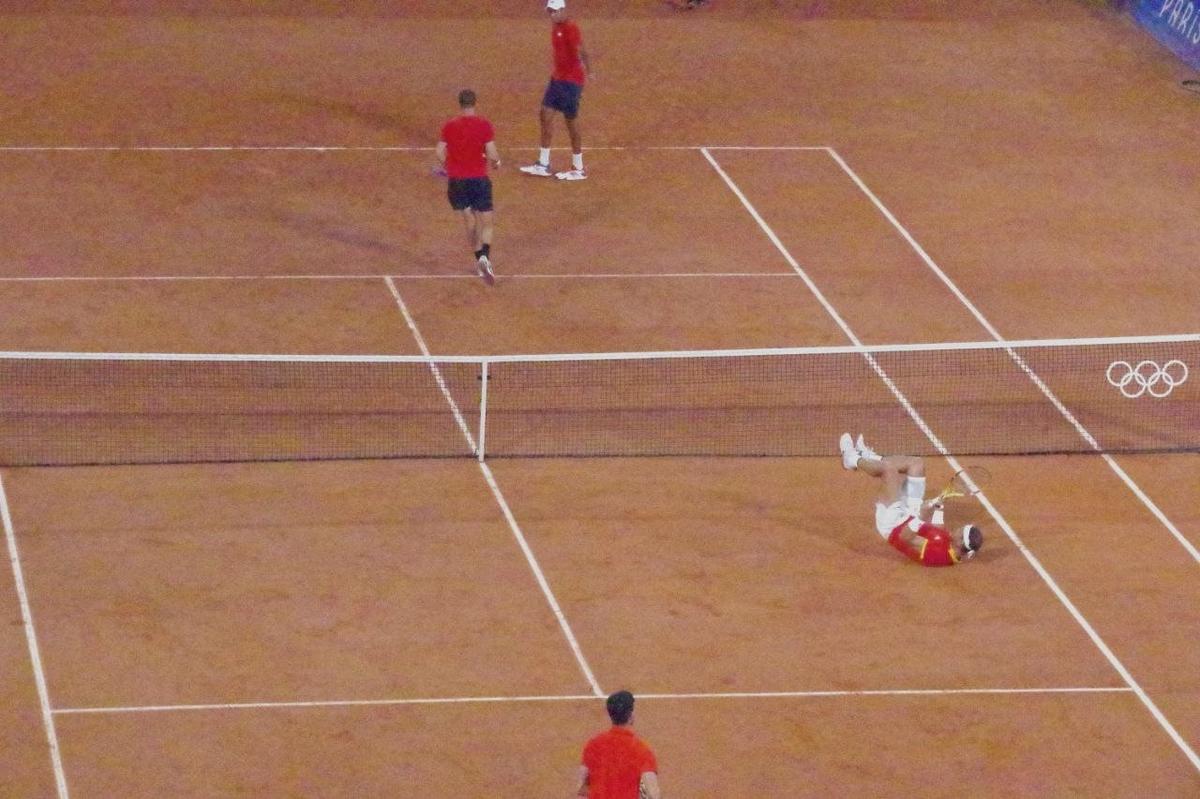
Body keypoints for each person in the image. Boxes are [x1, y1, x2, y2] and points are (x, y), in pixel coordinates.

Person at [840, 433, 983, 566]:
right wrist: (939, 507)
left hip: (892, 524)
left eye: (960, 531)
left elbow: (905, 537)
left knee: (888, 471)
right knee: (917, 464)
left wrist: (921, 514)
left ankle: (850, 458)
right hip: (909, 516)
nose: (957, 529)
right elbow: (939, 531)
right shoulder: (953, 547)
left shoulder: (937, 553)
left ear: (960, 542)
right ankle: (868, 456)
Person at [519, 0, 591, 182]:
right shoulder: (556, 28)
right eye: (549, 12)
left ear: (563, 10)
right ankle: (543, 164)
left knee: (571, 123)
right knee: (545, 114)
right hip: (557, 79)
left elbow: (581, 50)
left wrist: (589, 71)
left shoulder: (571, 28)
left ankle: (578, 167)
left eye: (554, 11)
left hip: (571, 82)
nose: (551, 15)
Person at [437, 89, 501, 284]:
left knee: (469, 219)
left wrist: (447, 168)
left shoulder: (449, 126)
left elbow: (439, 151)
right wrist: (496, 162)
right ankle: (485, 257)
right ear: (474, 103)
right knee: (487, 221)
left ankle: (478, 259)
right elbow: (492, 153)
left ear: (460, 103)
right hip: (479, 180)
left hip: (457, 181)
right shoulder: (483, 125)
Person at [576, 690, 661, 799]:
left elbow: (580, 789)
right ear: (630, 716)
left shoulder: (593, 745)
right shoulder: (642, 750)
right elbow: (653, 794)